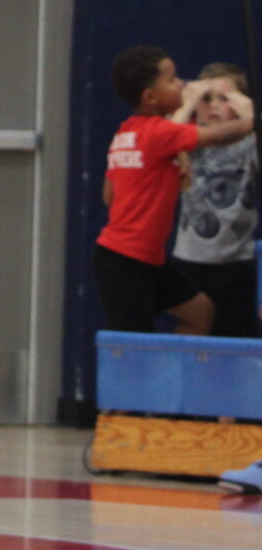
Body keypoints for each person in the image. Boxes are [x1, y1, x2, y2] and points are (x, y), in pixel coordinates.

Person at [96, 47, 255, 337]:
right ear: (151, 97)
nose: (182, 84)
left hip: (150, 257)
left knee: (200, 312)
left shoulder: (127, 132)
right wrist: (251, 120)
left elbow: (109, 197)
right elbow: (220, 135)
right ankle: (151, 381)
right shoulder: (160, 132)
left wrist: (148, 175)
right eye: (172, 80)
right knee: (134, 344)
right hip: (126, 261)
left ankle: (178, 377)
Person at [170, 64, 260, 338]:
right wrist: (188, 103)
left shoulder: (250, 144)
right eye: (207, 99)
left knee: (234, 343)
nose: (215, 107)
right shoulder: (186, 140)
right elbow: (163, 140)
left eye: (225, 99)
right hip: (189, 263)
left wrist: (251, 114)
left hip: (236, 265)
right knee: (193, 342)